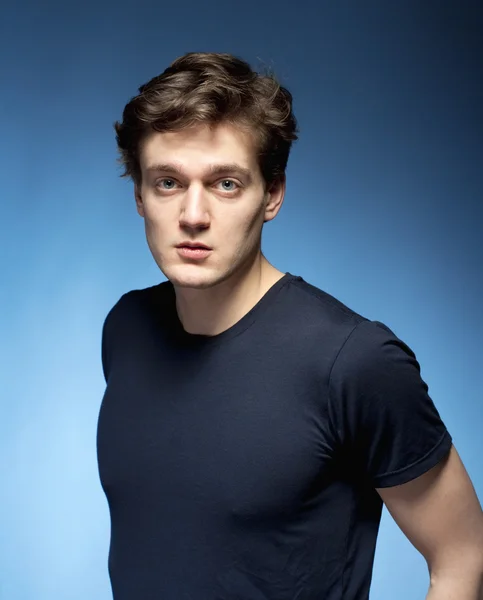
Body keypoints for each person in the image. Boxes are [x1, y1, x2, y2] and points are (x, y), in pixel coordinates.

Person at [97, 52, 483, 600]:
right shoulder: (127, 329)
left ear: (271, 195)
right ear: (139, 194)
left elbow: (463, 551)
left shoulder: (352, 361)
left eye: (226, 183)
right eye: (168, 182)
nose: (193, 214)